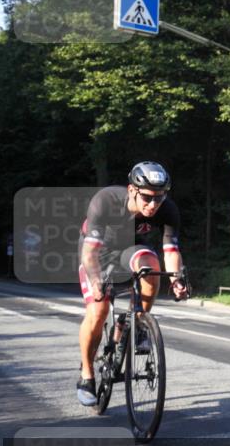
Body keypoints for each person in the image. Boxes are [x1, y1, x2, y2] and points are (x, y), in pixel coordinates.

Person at [76, 162, 188, 406]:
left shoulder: (167, 210)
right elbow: (89, 255)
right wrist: (96, 281)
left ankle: (138, 321)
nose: (153, 204)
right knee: (98, 311)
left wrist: (176, 279)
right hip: (98, 251)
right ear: (131, 190)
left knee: (151, 265)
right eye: (147, 198)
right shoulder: (105, 201)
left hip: (130, 247)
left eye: (159, 198)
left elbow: (171, 251)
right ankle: (86, 374)